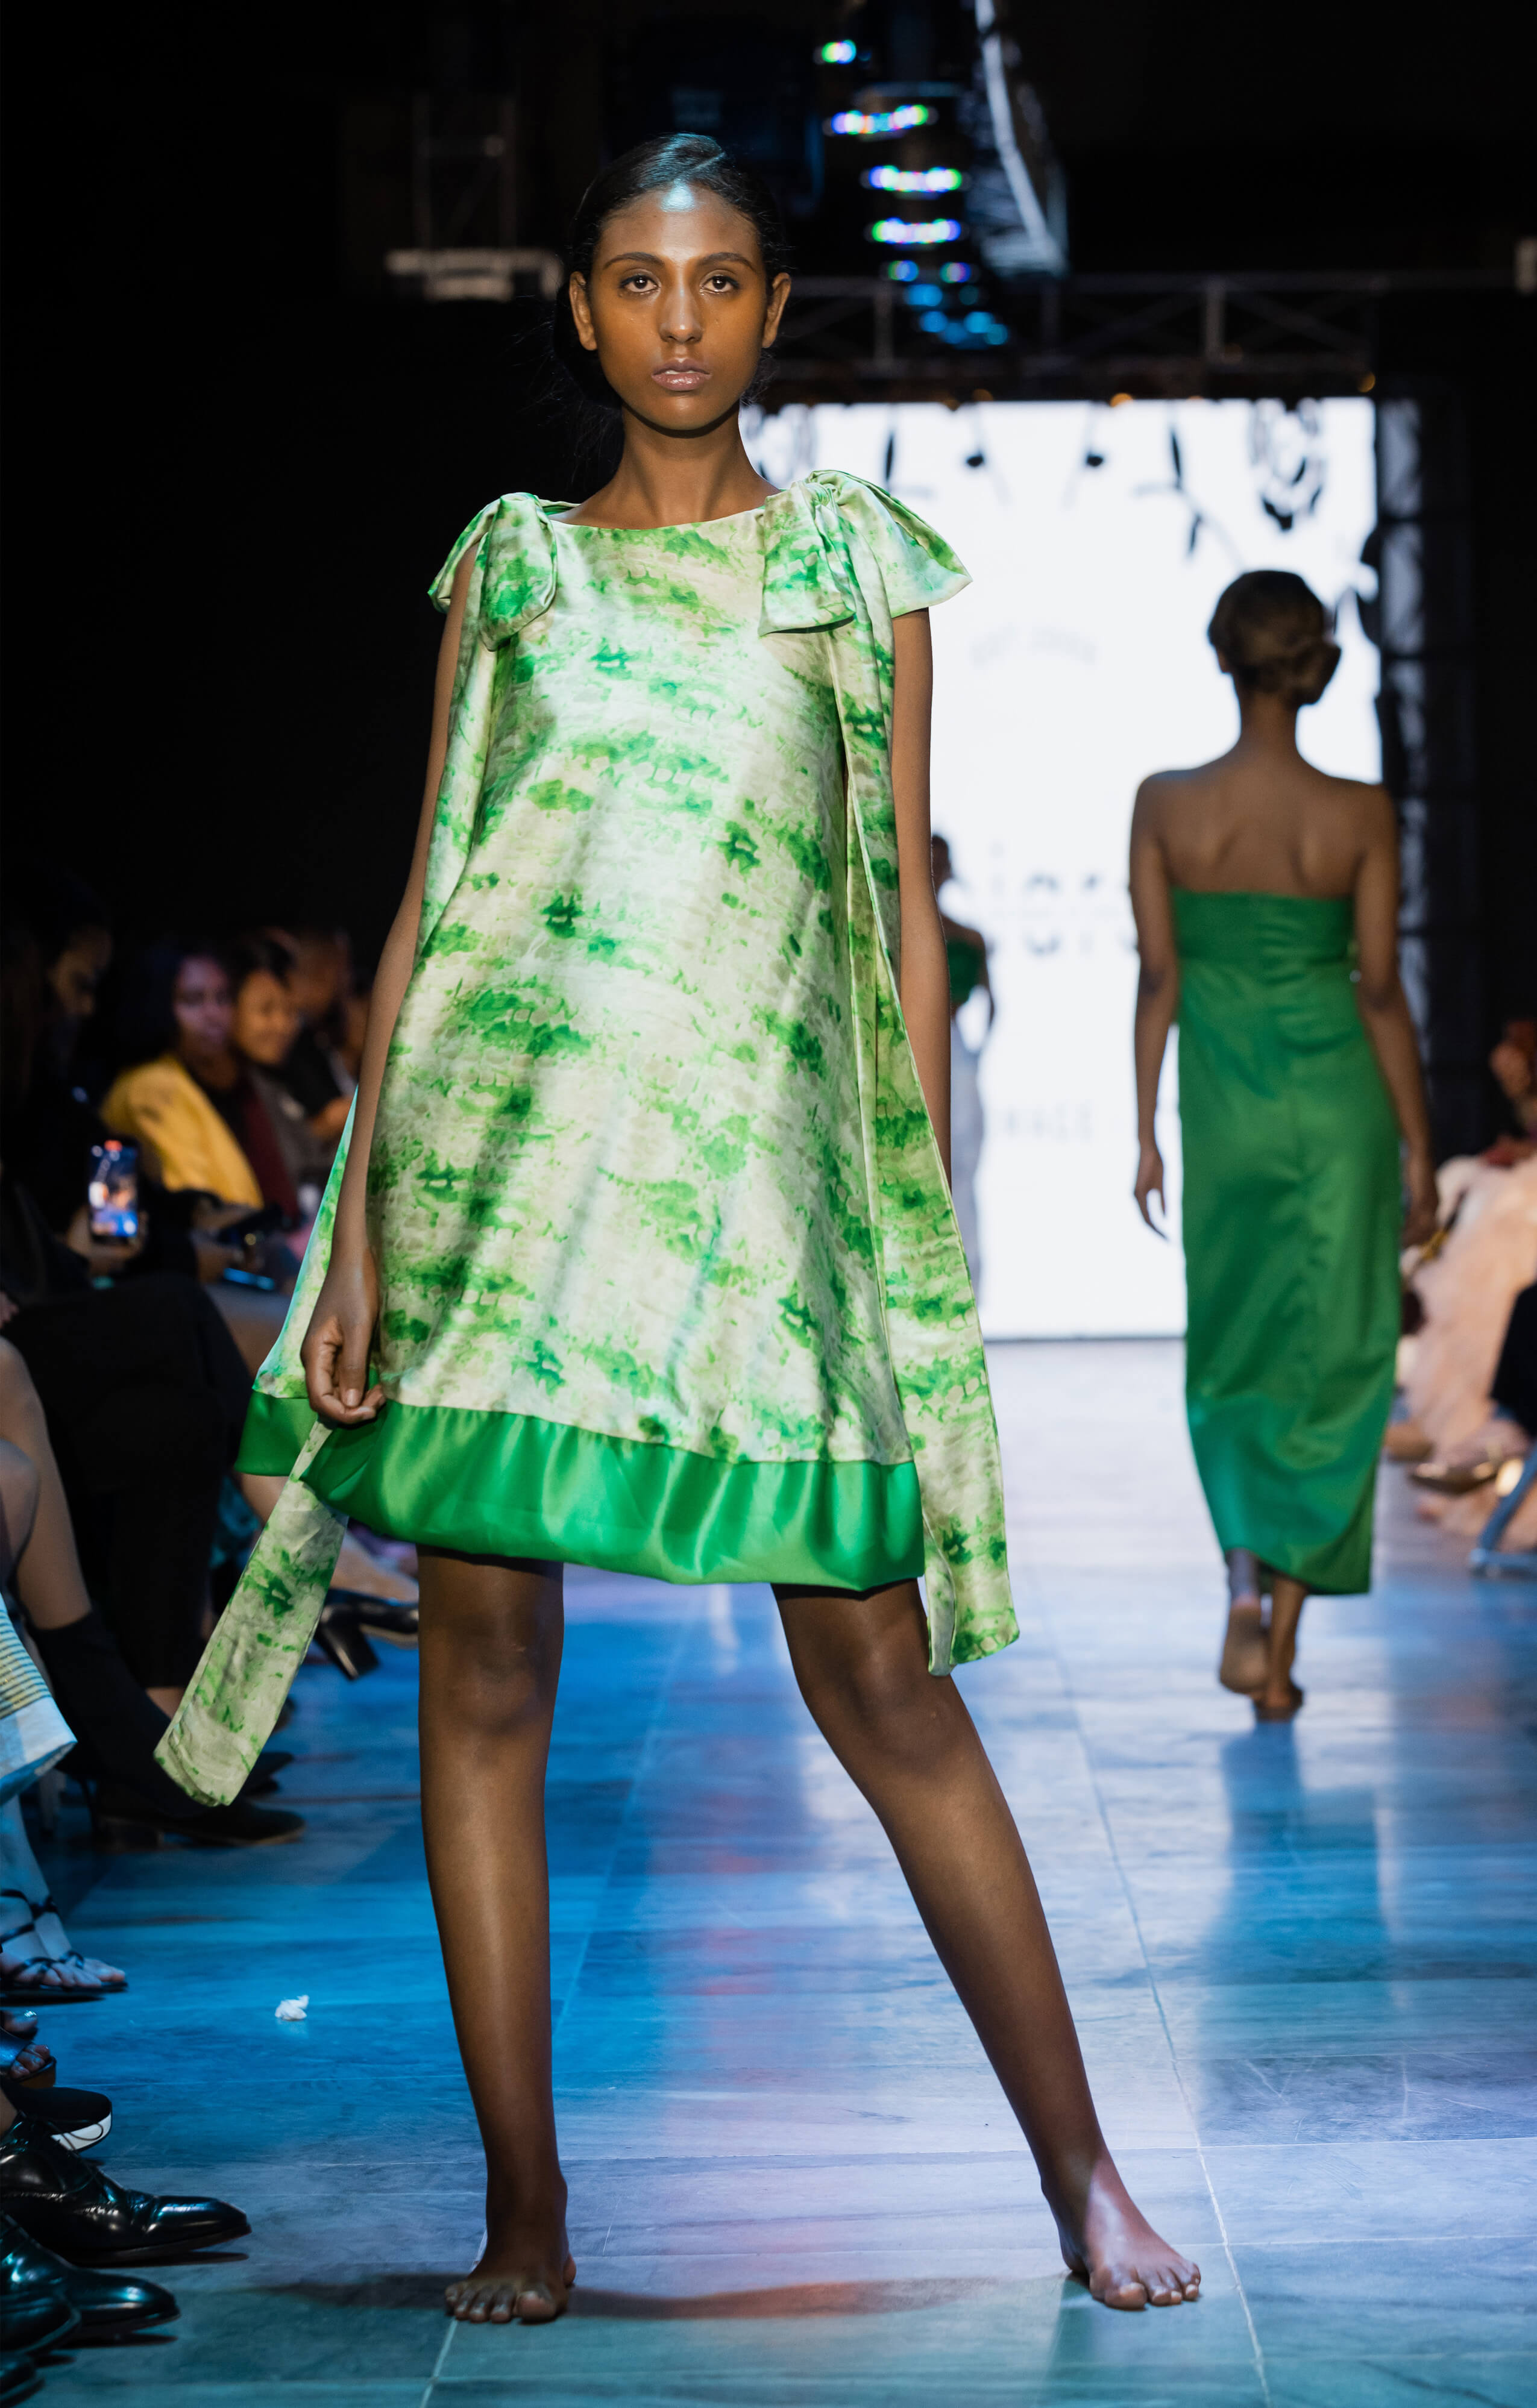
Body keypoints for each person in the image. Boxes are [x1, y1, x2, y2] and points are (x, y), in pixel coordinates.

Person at [164, 133, 1199, 2322]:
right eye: (637, 280)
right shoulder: (513, 565)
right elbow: (433, 897)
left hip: (768, 1201)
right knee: (483, 1678)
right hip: (500, 1192)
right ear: (577, 305)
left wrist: (910, 1231)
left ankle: (1083, 2171)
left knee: (880, 1673)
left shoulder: (849, 561)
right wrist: (357, 1237)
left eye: (718, 279)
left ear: (773, 306)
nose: (677, 321)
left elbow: (898, 918)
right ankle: (524, 2206)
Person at [1130, 568, 1436, 1721]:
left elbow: (1159, 977)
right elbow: (1382, 992)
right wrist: (1419, 1145)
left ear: (1225, 657)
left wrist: (1144, 1131)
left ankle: (1245, 1587)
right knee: (1340, 1359)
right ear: (1312, 667)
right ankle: (1283, 1651)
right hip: (1342, 1110)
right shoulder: (1359, 812)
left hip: (1228, 1109)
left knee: (1233, 1355)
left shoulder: (1166, 804)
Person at [101, 943, 265, 1208]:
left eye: (222, 998)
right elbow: (201, 1205)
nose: (214, 1015)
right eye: (193, 1000)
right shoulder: (151, 1087)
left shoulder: (192, 1079)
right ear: (159, 1006)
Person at [231, 935, 341, 1215]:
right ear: (230, 1006)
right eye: (266, 1010)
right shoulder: (235, 1088)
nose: (282, 1025)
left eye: (291, 1012)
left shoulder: (276, 1079)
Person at [931, 832, 993, 1287]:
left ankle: (967, 1276)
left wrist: (975, 1053)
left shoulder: (969, 938)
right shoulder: (899, 933)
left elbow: (995, 1002)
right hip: (926, 1047)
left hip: (956, 1052)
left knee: (963, 1164)